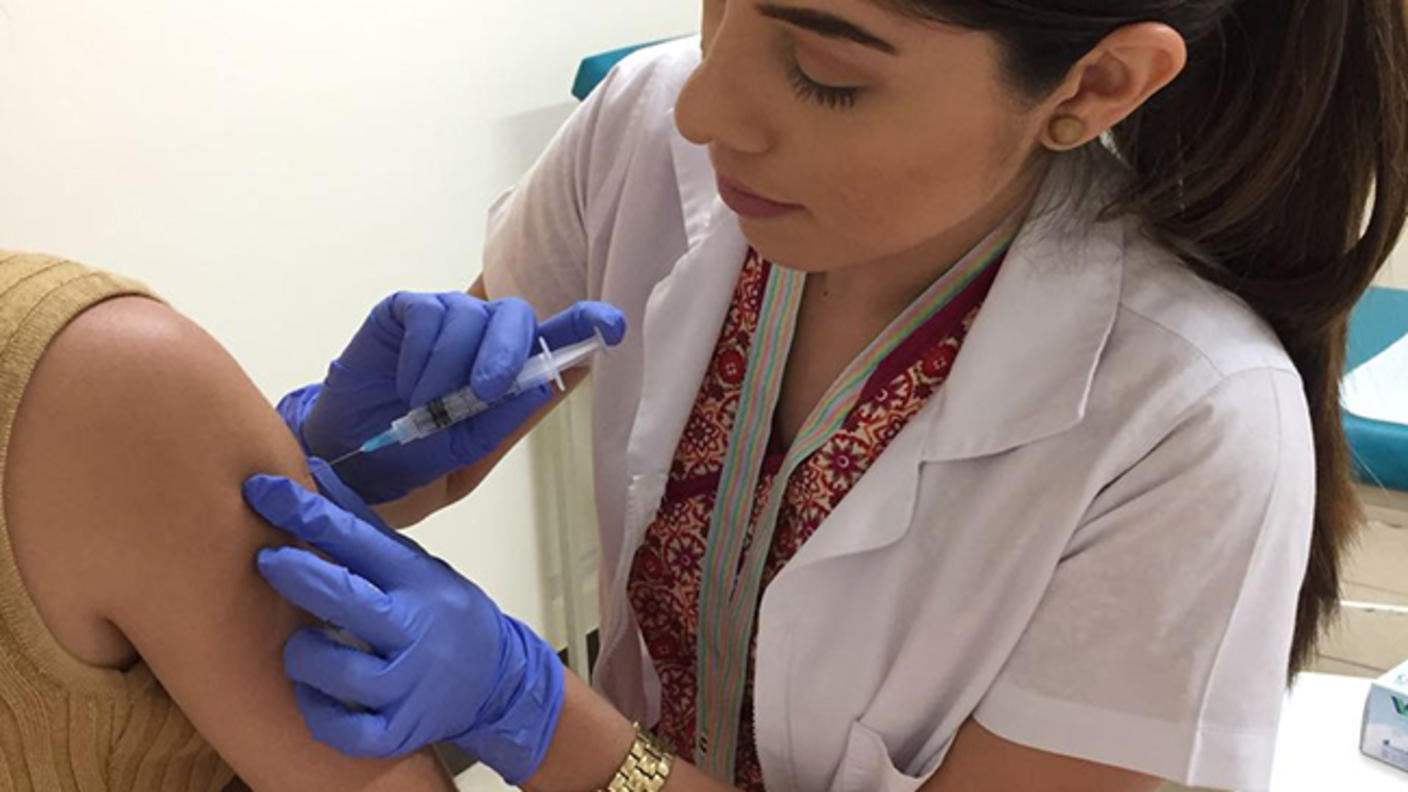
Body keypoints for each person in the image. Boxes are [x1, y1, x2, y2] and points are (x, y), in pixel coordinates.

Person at [250, 1, 1408, 791]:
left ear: (1095, 83)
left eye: (825, 73)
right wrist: (344, 457)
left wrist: (544, 721)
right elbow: (435, 447)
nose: (707, 111)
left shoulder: (1186, 419)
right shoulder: (647, 133)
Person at [0, 250, 617, 790]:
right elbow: (477, 400)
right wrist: (316, 461)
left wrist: (530, 707)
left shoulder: (106, 375)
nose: (690, 118)